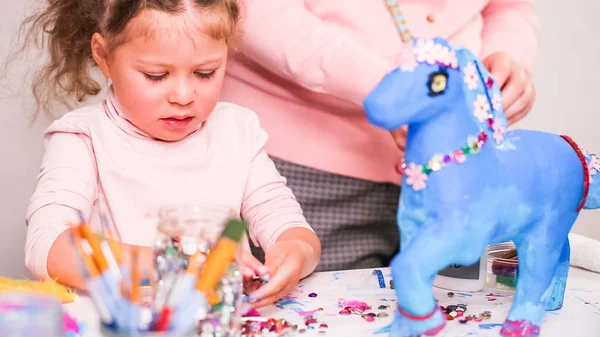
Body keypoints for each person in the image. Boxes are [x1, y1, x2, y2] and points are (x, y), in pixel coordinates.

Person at [21, 0, 320, 308]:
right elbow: (47, 247)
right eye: (156, 75)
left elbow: (286, 222)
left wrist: (295, 253)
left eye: (205, 73)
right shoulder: (83, 138)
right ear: (104, 56)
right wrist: (177, 266)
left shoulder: (237, 130)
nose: (183, 96)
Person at [221, 0, 540, 271]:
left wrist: (509, 57)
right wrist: (393, 91)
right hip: (301, 170)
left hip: (452, 174)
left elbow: (508, 7)